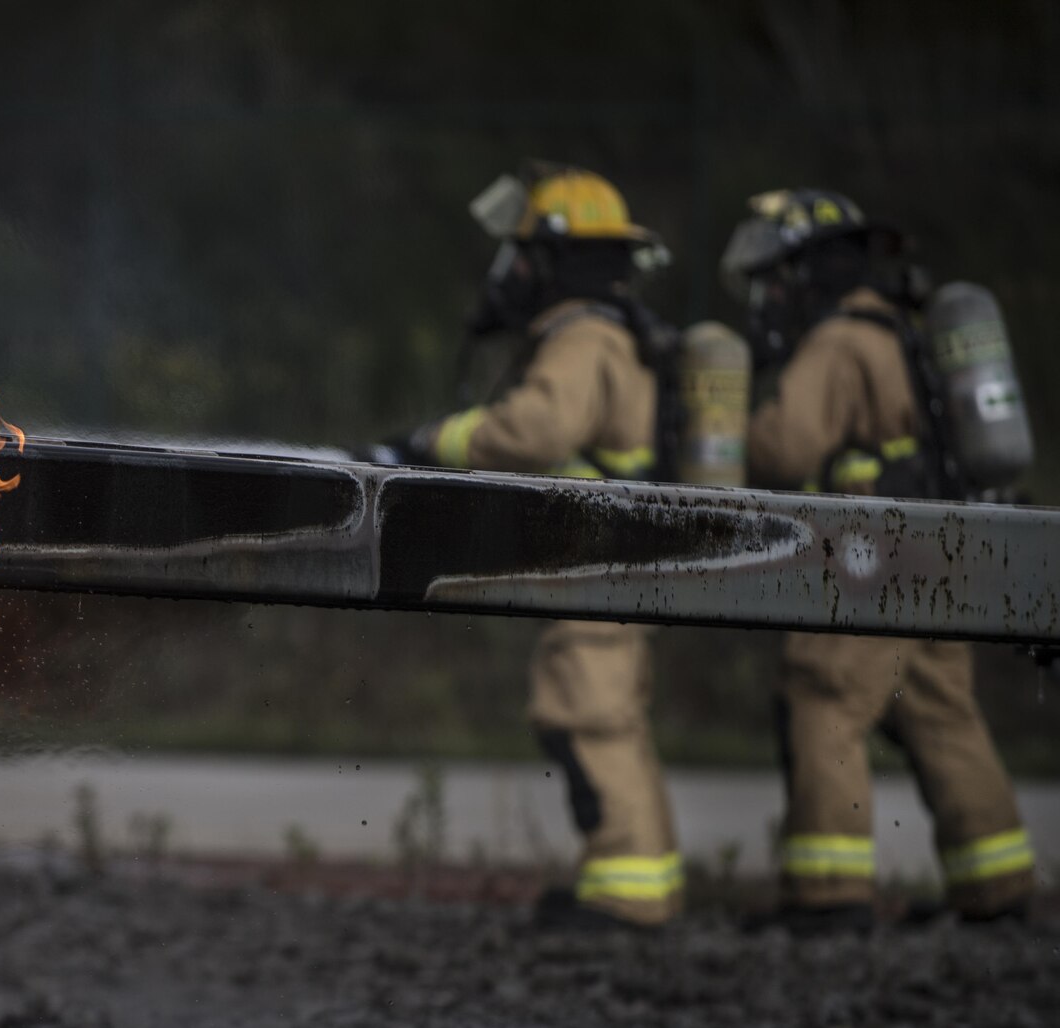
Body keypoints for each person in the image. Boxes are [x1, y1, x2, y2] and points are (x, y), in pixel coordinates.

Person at [720, 188, 1036, 931]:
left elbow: (785, 445)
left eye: (775, 278)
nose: (769, 297)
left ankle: (830, 896)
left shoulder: (838, 342)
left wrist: (729, 429)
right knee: (942, 711)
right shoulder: (905, 328)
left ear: (806, 272)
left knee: (825, 695)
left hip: (869, 561)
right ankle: (1000, 890)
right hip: (939, 552)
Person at [398, 163, 682, 930]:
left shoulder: (583, 334)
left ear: (556, 260)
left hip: (605, 561)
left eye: (526, 256)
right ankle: (641, 881)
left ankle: (627, 896)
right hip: (623, 558)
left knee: (582, 710)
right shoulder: (615, 331)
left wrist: (438, 440)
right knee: (611, 714)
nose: (515, 273)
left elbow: (538, 430)